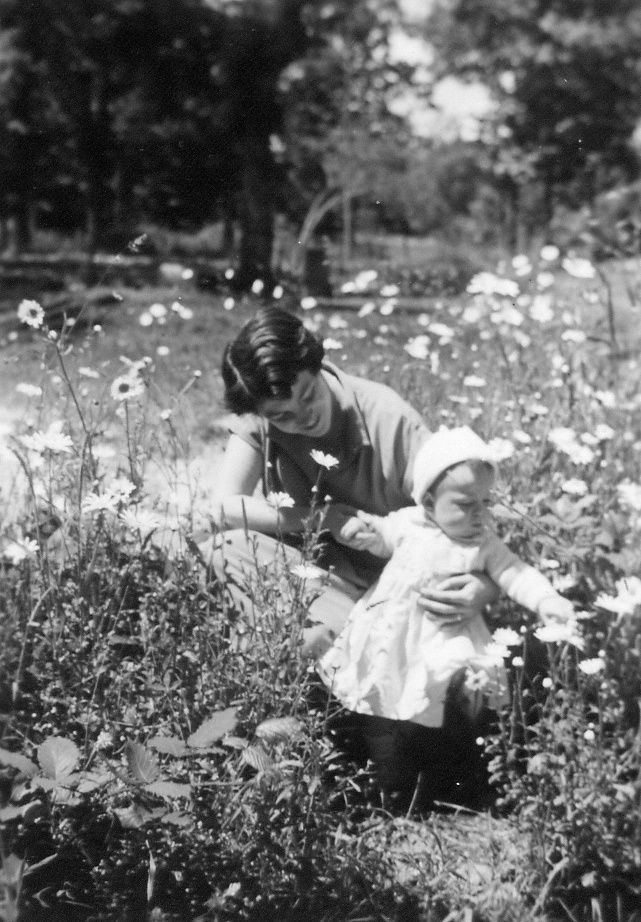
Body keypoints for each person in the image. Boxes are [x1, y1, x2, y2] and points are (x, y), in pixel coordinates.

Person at [202, 306, 498, 658]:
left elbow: (468, 509)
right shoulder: (262, 412)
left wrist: (485, 583)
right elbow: (225, 504)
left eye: (309, 395)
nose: (305, 416)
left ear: (318, 368)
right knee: (219, 551)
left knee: (313, 642)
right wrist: (320, 519)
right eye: (283, 416)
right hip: (310, 568)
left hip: (387, 585)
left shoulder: (390, 420)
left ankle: (327, 655)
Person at [316, 426, 575, 805]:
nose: (479, 514)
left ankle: (465, 762)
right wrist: (363, 532)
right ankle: (389, 777)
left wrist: (547, 599)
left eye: (485, 502)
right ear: (429, 499)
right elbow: (382, 535)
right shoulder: (409, 524)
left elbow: (515, 573)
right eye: (466, 503)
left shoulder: (483, 545)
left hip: (449, 637)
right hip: (395, 635)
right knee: (383, 700)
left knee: (462, 687)